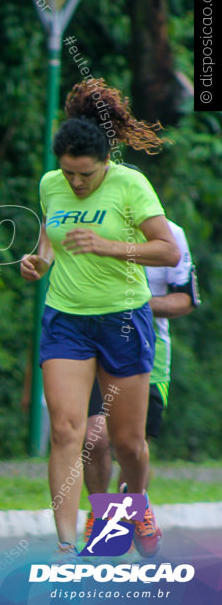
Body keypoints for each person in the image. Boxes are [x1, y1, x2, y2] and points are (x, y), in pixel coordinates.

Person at [19, 78, 180, 561]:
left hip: (123, 320)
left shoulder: (131, 184)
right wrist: (39, 261)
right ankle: (67, 545)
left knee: (128, 443)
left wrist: (111, 245)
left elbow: (167, 249)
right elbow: (50, 233)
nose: (76, 183)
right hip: (66, 318)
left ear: (104, 162)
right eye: (68, 173)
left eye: (85, 174)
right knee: (69, 431)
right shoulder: (51, 185)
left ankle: (137, 505)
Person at [82, 218, 199, 548]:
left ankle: (134, 506)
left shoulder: (171, 234)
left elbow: (185, 300)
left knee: (129, 445)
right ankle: (103, 519)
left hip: (148, 350)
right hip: (98, 346)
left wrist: (139, 306)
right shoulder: (90, 228)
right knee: (96, 437)